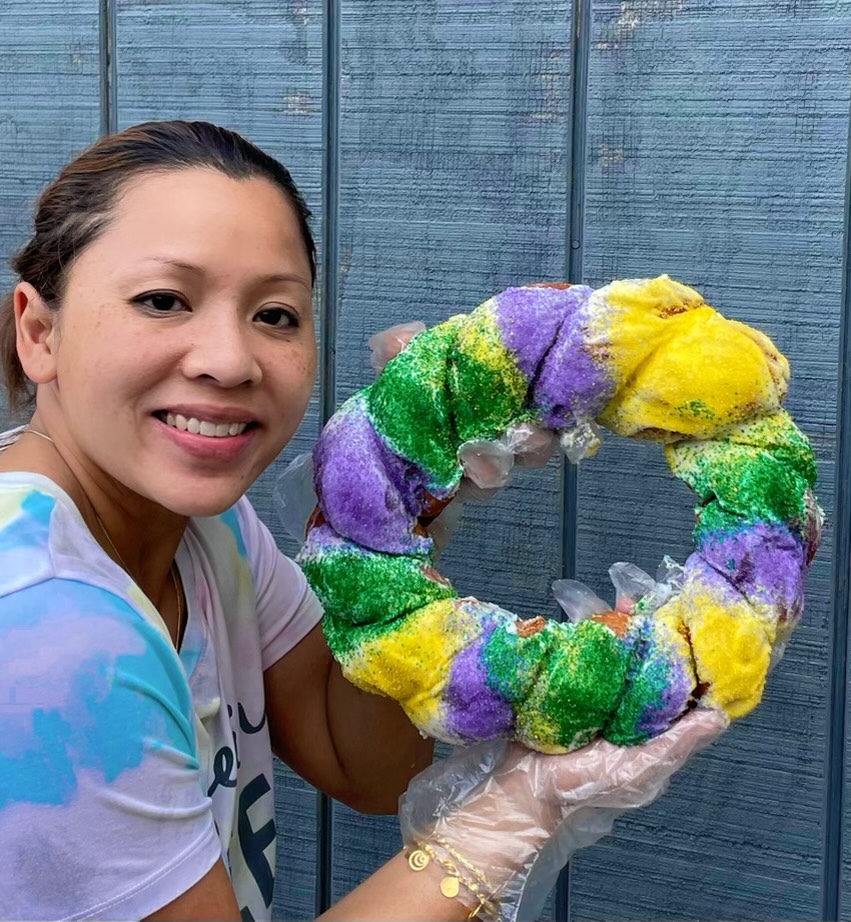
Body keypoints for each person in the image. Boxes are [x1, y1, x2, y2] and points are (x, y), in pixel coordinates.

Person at [0, 120, 724, 922]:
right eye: (163, 300)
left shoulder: (206, 531)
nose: (229, 360)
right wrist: (512, 818)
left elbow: (367, 766)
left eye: (274, 314)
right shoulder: (40, 622)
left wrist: (387, 528)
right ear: (40, 332)